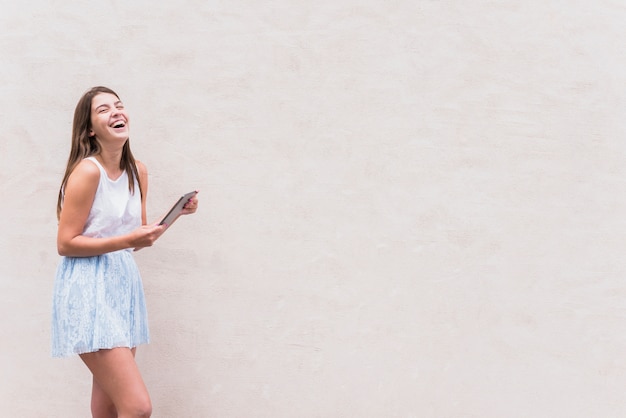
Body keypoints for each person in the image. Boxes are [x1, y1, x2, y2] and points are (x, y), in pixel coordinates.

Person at [51, 86, 198, 418]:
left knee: (108, 407)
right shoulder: (88, 172)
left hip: (122, 288)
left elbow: (134, 237)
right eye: (103, 110)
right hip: (88, 288)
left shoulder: (138, 171)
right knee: (137, 406)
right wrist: (125, 241)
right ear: (89, 129)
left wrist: (175, 216)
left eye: (118, 106)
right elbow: (65, 243)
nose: (116, 112)